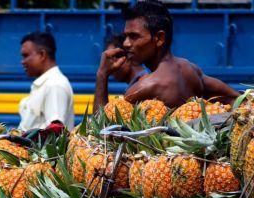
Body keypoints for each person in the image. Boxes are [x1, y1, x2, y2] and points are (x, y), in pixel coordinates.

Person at [97, 1, 239, 109]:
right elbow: (235, 98)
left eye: (134, 37)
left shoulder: (145, 87)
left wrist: (102, 75)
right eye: (125, 37)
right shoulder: (190, 69)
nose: (126, 44)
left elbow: (101, 133)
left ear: (159, 38)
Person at [18, 32, 74, 131]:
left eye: (26, 55)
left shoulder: (55, 84)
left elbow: (55, 131)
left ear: (42, 55)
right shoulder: (45, 84)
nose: (22, 61)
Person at [93, 34, 147, 112]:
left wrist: (102, 74)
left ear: (126, 58)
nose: (108, 66)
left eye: (112, 58)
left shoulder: (139, 89)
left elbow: (100, 121)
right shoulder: (137, 85)